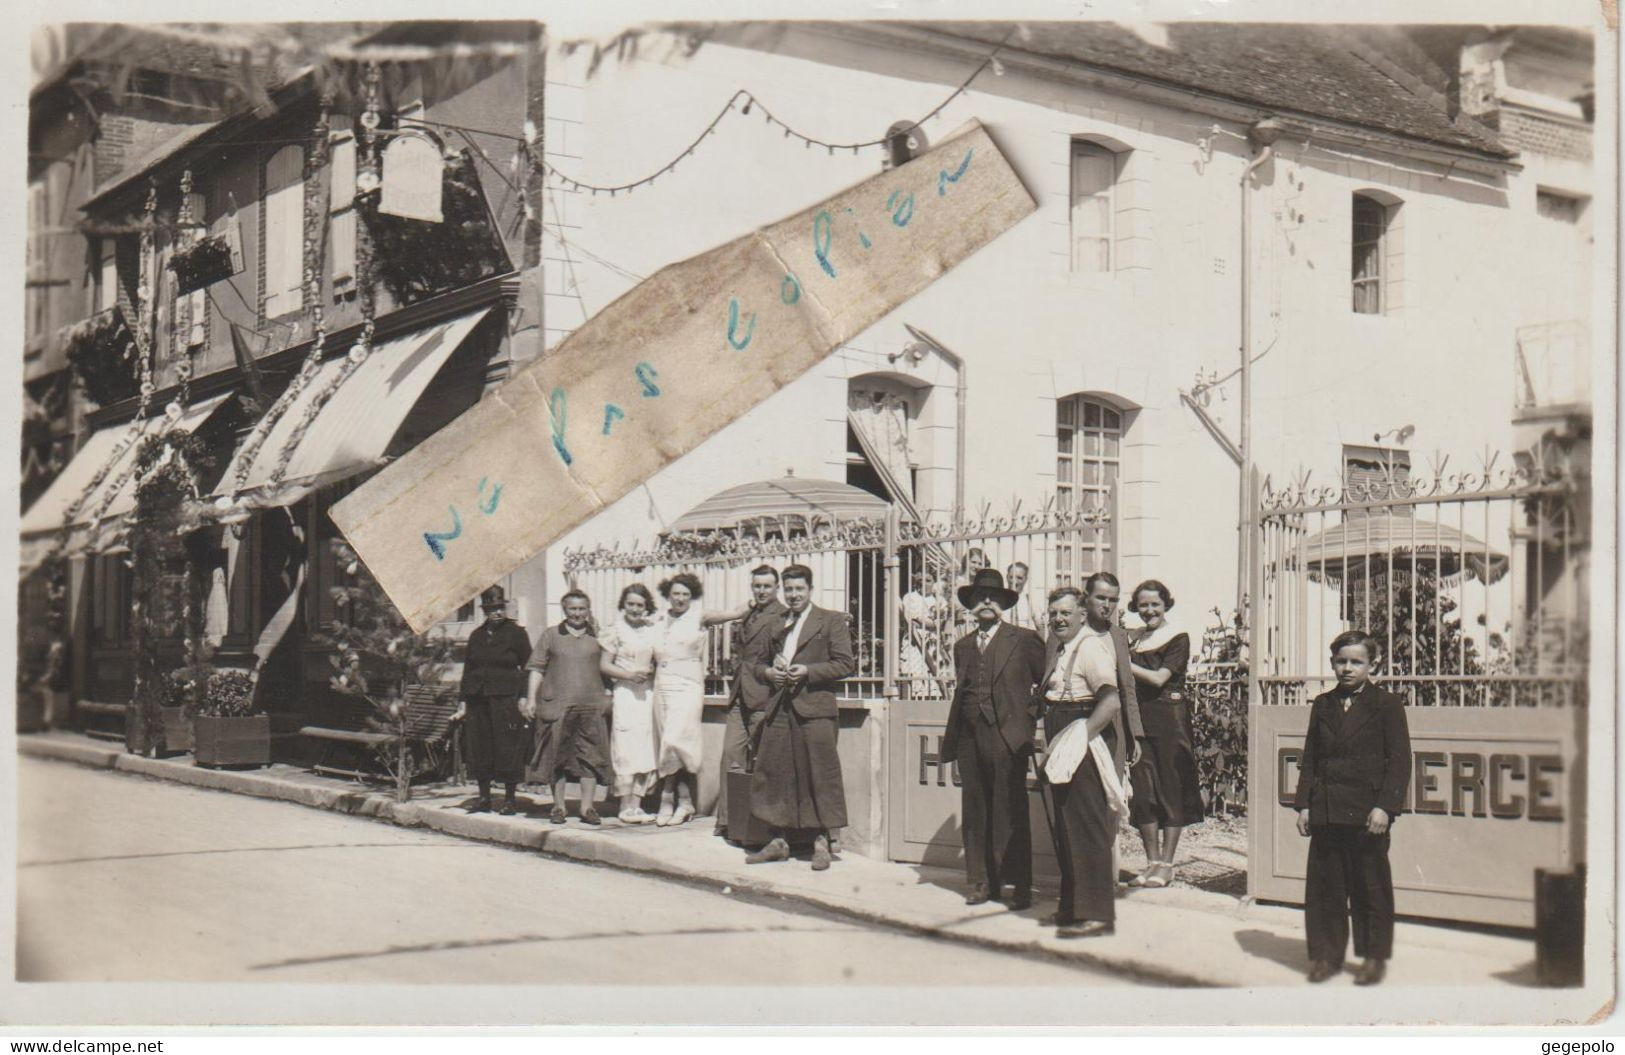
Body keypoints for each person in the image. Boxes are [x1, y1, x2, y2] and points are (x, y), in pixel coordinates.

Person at [1294, 630, 1412, 986]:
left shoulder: (1386, 704)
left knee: (1370, 886)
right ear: (1332, 663)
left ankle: (1373, 957)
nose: (1347, 668)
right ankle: (1326, 957)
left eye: (1356, 662)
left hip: (1366, 814)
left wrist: (1385, 808)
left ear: (1372, 665)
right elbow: (1311, 758)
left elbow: (1400, 760)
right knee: (1326, 888)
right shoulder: (1322, 704)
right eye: (1341, 661)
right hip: (1327, 810)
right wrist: (1304, 806)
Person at [942, 568, 1046, 908]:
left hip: (1007, 738)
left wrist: (1026, 722)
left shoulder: (1025, 639)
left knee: (1010, 810)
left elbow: (1046, 686)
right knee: (975, 810)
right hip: (970, 737)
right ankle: (981, 882)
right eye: (979, 597)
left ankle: (1018, 885)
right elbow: (964, 691)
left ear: (1003, 603)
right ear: (971, 604)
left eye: (994, 596)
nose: (986, 601)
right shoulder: (962, 646)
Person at [745, 564, 854, 870]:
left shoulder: (830, 621)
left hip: (816, 707)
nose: (794, 595)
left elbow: (845, 664)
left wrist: (808, 671)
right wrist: (770, 672)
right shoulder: (775, 623)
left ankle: (821, 842)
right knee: (775, 771)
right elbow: (756, 664)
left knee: (819, 773)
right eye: (789, 589)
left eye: (799, 589)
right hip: (780, 707)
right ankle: (777, 841)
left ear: (810, 590)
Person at [1034, 583, 1124, 938]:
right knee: (1066, 825)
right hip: (1063, 730)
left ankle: (1096, 913)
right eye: (1053, 613)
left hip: (1082, 735)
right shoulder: (1062, 648)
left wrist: (1080, 738)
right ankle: (1073, 906)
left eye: (1065, 613)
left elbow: (1111, 701)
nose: (1058, 619)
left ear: (1082, 615)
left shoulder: (1090, 648)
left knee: (1085, 825)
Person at [652, 573, 748, 826]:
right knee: (668, 742)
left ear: (691, 596)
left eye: (685, 594)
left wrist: (761, 596)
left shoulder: (700, 616)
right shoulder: (658, 619)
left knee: (675, 739)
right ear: (668, 595)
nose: (680, 598)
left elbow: (736, 612)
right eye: (676, 593)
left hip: (688, 684)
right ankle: (685, 801)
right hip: (662, 683)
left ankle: (667, 796)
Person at [1126, 579, 1203, 889]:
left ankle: (1168, 864)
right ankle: (1151, 863)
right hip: (1139, 719)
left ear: (1165, 604)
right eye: (1143, 605)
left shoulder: (1177, 636)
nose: (1149, 610)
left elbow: (1159, 679)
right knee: (1143, 790)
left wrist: (1124, 663)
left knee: (1171, 788)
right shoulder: (1132, 639)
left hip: (1169, 719)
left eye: (1155, 604)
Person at [715, 565, 787, 842]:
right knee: (730, 756)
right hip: (739, 695)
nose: (761, 590)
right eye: (757, 585)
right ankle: (726, 821)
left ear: (776, 587)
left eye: (767, 586)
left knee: (760, 761)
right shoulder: (749, 612)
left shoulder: (782, 616)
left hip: (763, 696)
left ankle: (758, 826)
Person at [525, 591, 610, 826]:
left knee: (590, 757)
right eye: (573, 609)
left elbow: (610, 666)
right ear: (565, 610)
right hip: (558, 705)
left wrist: (608, 696)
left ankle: (587, 808)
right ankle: (559, 807)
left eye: (582, 609)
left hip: (591, 705)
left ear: (588, 610)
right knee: (557, 756)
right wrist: (531, 699)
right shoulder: (551, 635)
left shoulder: (598, 636)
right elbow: (536, 669)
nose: (577, 614)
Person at [456, 586, 533, 814]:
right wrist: (462, 700)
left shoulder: (517, 633)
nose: (497, 612)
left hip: (506, 699)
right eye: (491, 609)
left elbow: (528, 667)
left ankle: (509, 799)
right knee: (480, 747)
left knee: (507, 746)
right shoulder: (476, 635)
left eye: (500, 608)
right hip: (478, 698)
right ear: (484, 611)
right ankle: (484, 798)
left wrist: (524, 696)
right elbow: (468, 669)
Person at [599, 583, 662, 824]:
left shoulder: (651, 630)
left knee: (646, 747)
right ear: (623, 605)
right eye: (630, 604)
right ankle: (624, 805)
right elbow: (604, 665)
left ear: (647, 607)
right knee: (626, 746)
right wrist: (628, 675)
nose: (635, 609)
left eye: (640, 605)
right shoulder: (614, 630)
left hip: (647, 693)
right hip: (625, 692)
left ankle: (638, 805)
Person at [899, 562, 948, 698]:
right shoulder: (910, 597)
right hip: (914, 641)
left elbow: (939, 623)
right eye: (920, 581)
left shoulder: (940, 600)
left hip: (933, 642)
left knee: (935, 674)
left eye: (928, 580)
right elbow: (910, 619)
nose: (924, 584)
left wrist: (921, 620)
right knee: (915, 673)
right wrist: (929, 622)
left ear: (934, 581)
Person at [1007, 561, 1042, 632]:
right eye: (1011, 577)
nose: (1014, 581)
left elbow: (1040, 626)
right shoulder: (1000, 600)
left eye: (1019, 578)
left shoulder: (1031, 601)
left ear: (1026, 580)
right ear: (1007, 577)